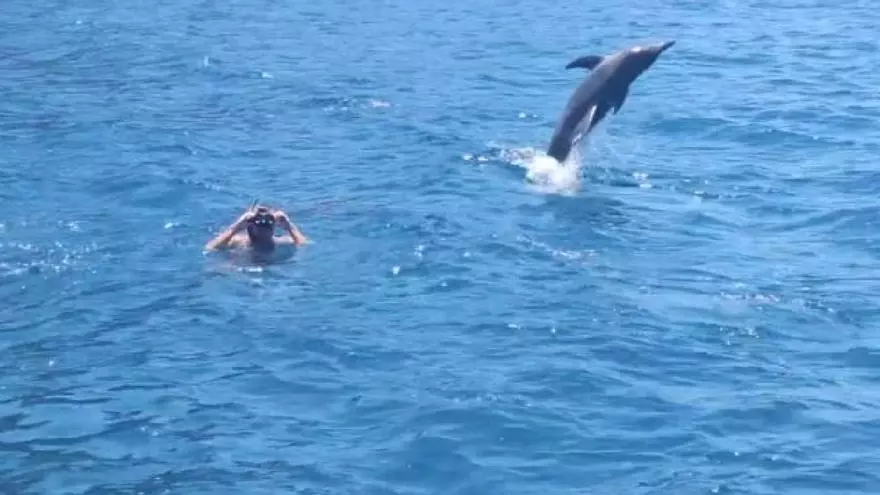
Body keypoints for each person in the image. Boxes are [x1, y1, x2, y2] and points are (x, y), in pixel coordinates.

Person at [204, 203, 308, 253]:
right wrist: (236, 227)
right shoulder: (238, 242)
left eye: (268, 220)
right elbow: (210, 248)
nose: (263, 223)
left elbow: (305, 245)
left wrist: (289, 225)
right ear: (249, 225)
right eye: (257, 220)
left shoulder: (282, 242)